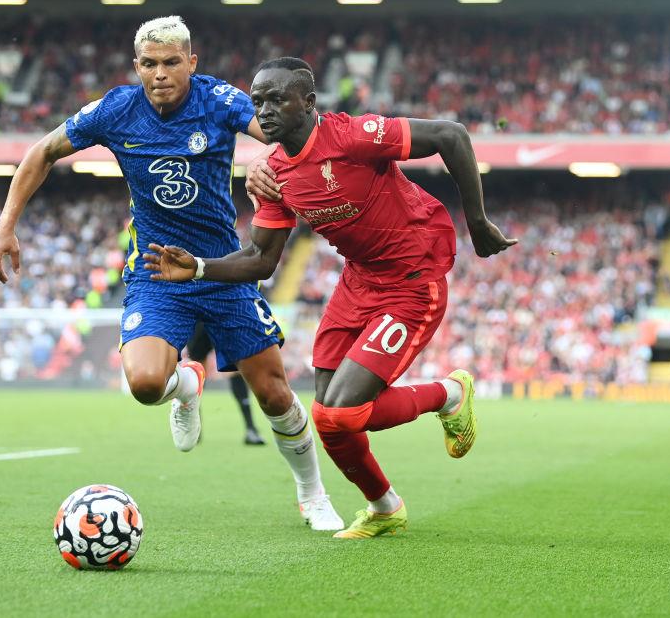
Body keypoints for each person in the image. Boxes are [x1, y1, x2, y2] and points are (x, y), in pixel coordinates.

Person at [0, 18, 342, 531]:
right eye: (149, 64)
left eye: (172, 62)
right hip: (156, 272)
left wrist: (271, 159)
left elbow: (288, 132)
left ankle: (313, 494)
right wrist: (5, 228)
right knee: (148, 384)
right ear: (136, 67)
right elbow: (42, 151)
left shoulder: (218, 100)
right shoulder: (116, 110)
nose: (160, 74)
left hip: (224, 270)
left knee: (274, 394)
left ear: (191, 63)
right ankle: (187, 384)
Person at [143, 57, 517, 539]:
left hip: (412, 279)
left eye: (277, 99)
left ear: (308, 103)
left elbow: (451, 135)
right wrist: (197, 267)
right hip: (359, 281)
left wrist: (478, 221)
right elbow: (260, 259)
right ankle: (385, 507)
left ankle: (449, 394)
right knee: (328, 417)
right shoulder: (273, 174)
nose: (265, 110)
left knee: (340, 413)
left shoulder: (353, 136)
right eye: (257, 102)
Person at [186, 322, 266, 445]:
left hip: (222, 317)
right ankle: (194, 429)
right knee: (198, 371)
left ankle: (251, 429)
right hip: (198, 321)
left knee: (235, 366)